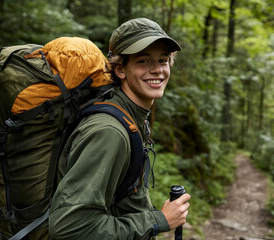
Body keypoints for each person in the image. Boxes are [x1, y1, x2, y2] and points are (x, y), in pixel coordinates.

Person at [49, 18, 191, 239]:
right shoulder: (109, 132)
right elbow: (70, 227)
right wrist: (158, 220)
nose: (157, 70)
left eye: (163, 60)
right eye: (143, 61)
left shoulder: (131, 116)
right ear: (120, 70)